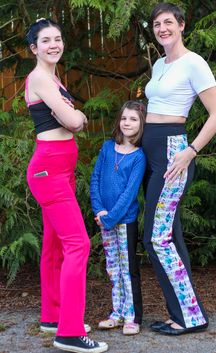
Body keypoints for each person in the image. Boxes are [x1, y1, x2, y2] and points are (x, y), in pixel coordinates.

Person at [142, 3, 216, 336]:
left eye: (168, 22)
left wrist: (190, 152)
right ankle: (186, 312)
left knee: (157, 239)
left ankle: (189, 316)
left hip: (172, 154)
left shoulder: (194, 63)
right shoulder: (160, 64)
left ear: (181, 25)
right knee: (170, 237)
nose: (161, 28)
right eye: (156, 24)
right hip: (151, 151)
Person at [25, 18, 108, 353]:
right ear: (34, 48)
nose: (54, 45)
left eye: (58, 39)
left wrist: (71, 117)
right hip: (49, 170)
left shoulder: (51, 77)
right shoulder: (40, 77)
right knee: (78, 245)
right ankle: (70, 333)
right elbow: (74, 120)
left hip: (59, 167)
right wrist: (76, 118)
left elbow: (69, 118)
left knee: (57, 244)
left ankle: (53, 316)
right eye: (46, 41)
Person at [90, 101, 146, 335]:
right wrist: (99, 211)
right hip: (104, 218)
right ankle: (117, 313)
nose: (127, 123)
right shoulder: (107, 148)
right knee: (113, 268)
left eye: (133, 119)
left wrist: (110, 217)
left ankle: (133, 316)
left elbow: (129, 193)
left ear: (141, 124)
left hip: (124, 220)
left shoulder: (138, 157)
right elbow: (95, 179)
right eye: (124, 118)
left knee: (127, 268)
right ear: (119, 121)